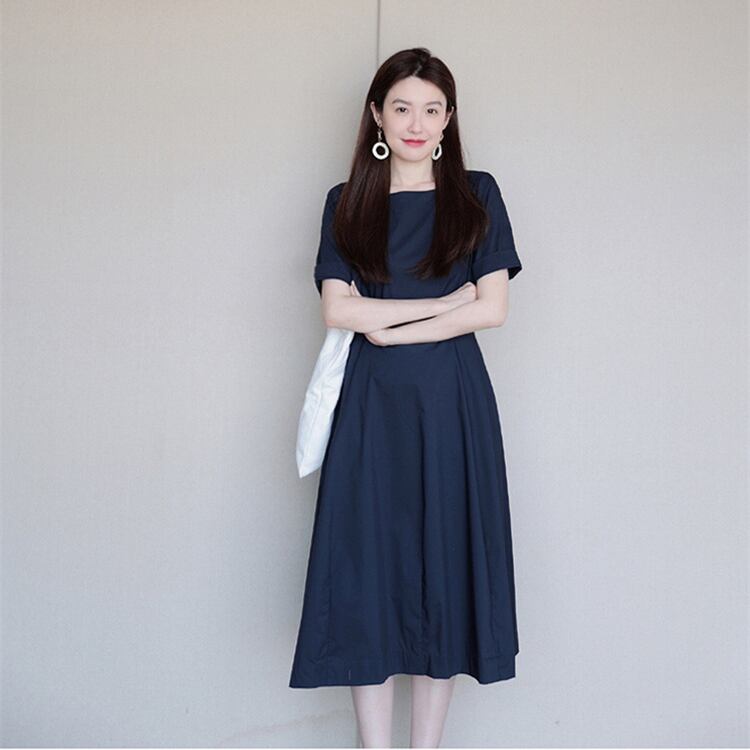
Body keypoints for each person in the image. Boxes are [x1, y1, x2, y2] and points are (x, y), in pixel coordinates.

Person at [289, 47, 523, 748]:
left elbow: (492, 310)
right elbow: (338, 310)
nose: (416, 124)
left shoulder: (477, 195)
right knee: (367, 575)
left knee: (444, 571)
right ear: (377, 116)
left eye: (431, 109)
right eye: (401, 108)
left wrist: (390, 327)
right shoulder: (346, 202)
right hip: (370, 409)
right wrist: (444, 303)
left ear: (449, 119)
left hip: (452, 407)